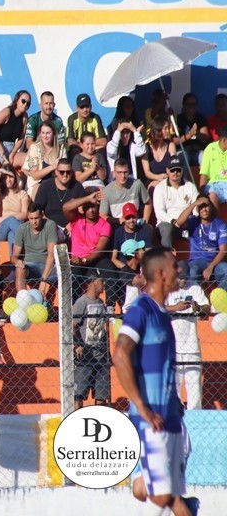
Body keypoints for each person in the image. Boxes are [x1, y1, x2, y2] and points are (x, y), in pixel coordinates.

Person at [113, 247, 199, 516]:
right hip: (151, 420)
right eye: (174, 266)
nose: (179, 270)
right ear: (161, 273)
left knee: (163, 492)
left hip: (170, 415)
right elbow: (120, 352)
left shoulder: (163, 314)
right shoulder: (141, 309)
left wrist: (174, 401)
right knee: (165, 496)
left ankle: (145, 483)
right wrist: (142, 407)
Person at [166, 261, 207, 411]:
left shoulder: (194, 287)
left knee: (194, 385)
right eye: (180, 278)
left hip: (191, 344)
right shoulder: (167, 288)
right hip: (173, 345)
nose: (183, 281)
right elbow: (157, 307)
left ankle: (195, 415)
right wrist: (175, 308)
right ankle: (173, 414)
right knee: (173, 386)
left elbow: (206, 307)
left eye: (185, 278)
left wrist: (199, 308)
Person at [72, 273, 110, 410]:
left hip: (101, 354)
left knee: (102, 395)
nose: (104, 285)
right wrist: (78, 344)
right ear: (94, 282)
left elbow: (103, 328)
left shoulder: (101, 303)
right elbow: (72, 326)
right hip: (85, 354)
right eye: (101, 282)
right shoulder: (82, 302)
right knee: (78, 395)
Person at [175, 195, 227, 289]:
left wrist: (211, 266)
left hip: (215, 262)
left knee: (226, 270)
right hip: (197, 261)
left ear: (211, 207)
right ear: (197, 209)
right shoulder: (193, 221)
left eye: (206, 206)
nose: (204, 209)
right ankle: (196, 297)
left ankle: (218, 297)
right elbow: (179, 223)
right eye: (201, 207)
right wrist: (194, 204)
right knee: (193, 271)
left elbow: (223, 250)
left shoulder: (220, 224)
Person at [10, 203, 57, 294]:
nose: (34, 222)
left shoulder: (50, 225)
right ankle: (22, 299)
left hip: (46, 265)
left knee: (65, 274)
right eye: (31, 218)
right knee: (19, 269)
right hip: (29, 266)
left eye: (36, 218)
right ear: (28, 217)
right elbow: (13, 256)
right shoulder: (22, 228)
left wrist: (43, 281)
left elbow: (51, 254)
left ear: (42, 215)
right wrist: (17, 261)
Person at [67, 199, 111, 292]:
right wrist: (87, 198)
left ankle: (112, 301)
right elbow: (66, 208)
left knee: (110, 270)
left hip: (95, 259)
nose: (91, 210)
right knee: (74, 276)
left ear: (97, 207)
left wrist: (84, 260)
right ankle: (75, 301)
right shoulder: (77, 220)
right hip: (77, 260)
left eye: (93, 207)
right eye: (88, 207)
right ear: (83, 209)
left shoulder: (105, 224)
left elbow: (99, 249)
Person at [154, 156, 198, 248]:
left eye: (178, 170)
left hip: (187, 224)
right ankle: (166, 256)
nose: (175, 173)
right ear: (167, 170)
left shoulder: (190, 186)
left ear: (182, 170)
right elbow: (159, 212)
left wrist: (190, 221)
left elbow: (196, 211)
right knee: (167, 229)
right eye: (172, 170)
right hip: (167, 223)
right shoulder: (160, 188)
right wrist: (173, 221)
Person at [33, 158, 88, 230]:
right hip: (49, 227)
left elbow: (83, 211)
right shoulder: (46, 186)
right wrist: (51, 225)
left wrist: (73, 224)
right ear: (56, 172)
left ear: (71, 173)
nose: (65, 175)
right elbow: (37, 210)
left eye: (68, 172)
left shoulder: (77, 186)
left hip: (72, 227)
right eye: (62, 172)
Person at [100, 158, 152, 230]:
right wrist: (118, 220)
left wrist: (144, 222)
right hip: (117, 227)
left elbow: (148, 203)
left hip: (135, 224)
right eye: (119, 172)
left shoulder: (137, 184)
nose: (123, 176)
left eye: (125, 172)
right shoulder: (107, 190)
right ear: (113, 173)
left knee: (149, 228)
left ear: (128, 172)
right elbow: (102, 215)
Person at [0, 90, 29, 169]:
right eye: (23, 101)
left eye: (28, 103)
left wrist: (13, 153)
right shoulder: (7, 112)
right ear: (17, 100)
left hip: (11, 150)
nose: (25, 104)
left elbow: (21, 138)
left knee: (28, 159)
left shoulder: (24, 117)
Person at [0, 164, 29, 254]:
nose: (8, 180)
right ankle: (29, 243)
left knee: (12, 234)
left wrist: (4, 218)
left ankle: (13, 262)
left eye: (10, 177)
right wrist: (0, 172)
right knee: (11, 221)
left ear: (15, 178)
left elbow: (24, 214)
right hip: (2, 229)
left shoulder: (22, 193)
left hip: (17, 227)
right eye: (5, 177)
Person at [23, 120, 66, 198]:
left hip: (56, 185)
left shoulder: (61, 149)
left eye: (48, 133)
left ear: (53, 134)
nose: (45, 136)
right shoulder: (34, 148)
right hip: (37, 185)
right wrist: (52, 167)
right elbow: (35, 175)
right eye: (43, 133)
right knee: (41, 190)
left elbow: (64, 171)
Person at [140, 116, 177, 192]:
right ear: (158, 130)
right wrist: (158, 177)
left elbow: (174, 165)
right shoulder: (146, 147)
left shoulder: (170, 145)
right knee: (156, 188)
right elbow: (147, 172)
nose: (168, 131)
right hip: (153, 179)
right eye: (165, 128)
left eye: (168, 128)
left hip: (169, 179)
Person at [66, 93, 107, 159]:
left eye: (87, 106)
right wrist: (90, 145)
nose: (85, 110)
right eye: (82, 107)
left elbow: (104, 141)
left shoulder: (95, 118)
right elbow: (70, 142)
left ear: (91, 107)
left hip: (93, 149)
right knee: (73, 149)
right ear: (77, 108)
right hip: (80, 150)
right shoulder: (72, 119)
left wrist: (82, 143)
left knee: (102, 151)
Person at [175, 92, 208, 166]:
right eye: (188, 104)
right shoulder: (178, 119)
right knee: (184, 156)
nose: (191, 107)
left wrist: (196, 132)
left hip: (197, 151)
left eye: (193, 104)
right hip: (183, 150)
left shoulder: (200, 118)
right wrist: (190, 134)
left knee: (203, 156)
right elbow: (175, 141)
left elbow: (205, 139)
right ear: (183, 105)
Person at [198, 125, 227, 207]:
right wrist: (201, 195)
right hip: (214, 184)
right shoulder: (210, 148)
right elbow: (204, 173)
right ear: (224, 140)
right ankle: (215, 216)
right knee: (212, 195)